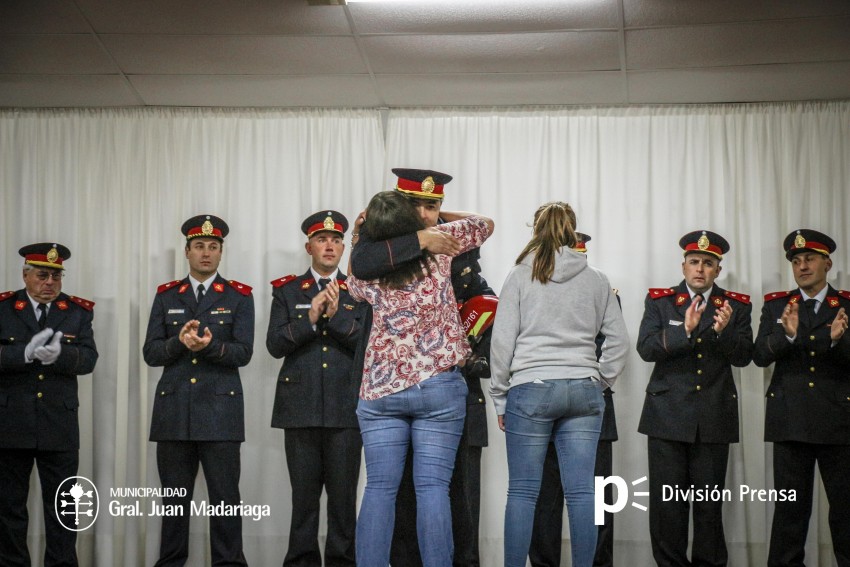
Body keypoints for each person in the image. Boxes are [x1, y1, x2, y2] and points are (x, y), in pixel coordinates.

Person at [350, 168, 494, 567]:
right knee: (433, 489)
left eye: (435, 206)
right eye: (420, 206)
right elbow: (485, 224)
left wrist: (365, 231)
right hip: (438, 388)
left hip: (381, 391)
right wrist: (430, 231)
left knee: (379, 488)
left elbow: (354, 281)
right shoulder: (443, 250)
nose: (428, 214)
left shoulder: (368, 266)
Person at [490, 202, 629, 567]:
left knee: (522, 492)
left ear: (535, 231)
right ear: (573, 230)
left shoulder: (520, 275)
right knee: (583, 494)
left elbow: (502, 342)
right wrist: (598, 382)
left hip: (531, 388)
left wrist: (500, 398)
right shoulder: (597, 278)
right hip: (583, 387)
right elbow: (618, 342)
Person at [636, 230, 753, 567]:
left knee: (708, 507)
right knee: (667, 507)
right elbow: (646, 349)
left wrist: (723, 333)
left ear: (718, 269)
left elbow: (745, 356)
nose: (700, 268)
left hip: (713, 417)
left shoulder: (736, 305)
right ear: (684, 266)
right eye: (694, 262)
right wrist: (683, 331)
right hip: (666, 417)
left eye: (708, 263)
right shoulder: (660, 301)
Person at [143, 214, 254, 567]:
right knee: (175, 501)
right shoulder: (166, 296)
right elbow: (150, 352)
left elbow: (243, 352)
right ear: (187, 251)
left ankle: (229, 563)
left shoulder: (239, 296)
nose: (206, 253)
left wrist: (207, 347)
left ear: (221, 252)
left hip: (221, 413)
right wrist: (179, 342)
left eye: (214, 247)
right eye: (200, 246)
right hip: (174, 413)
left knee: (225, 499)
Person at [267, 210, 364, 567]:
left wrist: (337, 318)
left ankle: (342, 562)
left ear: (343, 247)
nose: (330, 245)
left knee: (342, 502)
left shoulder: (358, 290)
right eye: (322, 239)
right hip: (300, 408)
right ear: (309, 245)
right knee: (303, 501)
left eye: (337, 239)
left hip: (344, 409)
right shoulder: (288, 291)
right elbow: (274, 345)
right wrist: (309, 318)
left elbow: (368, 348)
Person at [753, 229, 850, 567]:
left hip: (839, 422)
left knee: (845, 510)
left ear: (828, 263)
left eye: (810, 259)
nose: (803, 266)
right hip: (790, 421)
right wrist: (787, 336)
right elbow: (759, 355)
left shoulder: (846, 306)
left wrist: (837, 341)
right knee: (790, 512)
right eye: (796, 261)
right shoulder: (777, 305)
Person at [0, 243, 98, 567]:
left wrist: (62, 357)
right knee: (10, 509)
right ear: (25, 274)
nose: (50, 284)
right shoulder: (3, 308)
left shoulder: (77, 311)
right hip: (11, 423)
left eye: (56, 277)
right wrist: (24, 354)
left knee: (63, 509)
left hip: (60, 424)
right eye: (42, 275)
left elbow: (89, 359)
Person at [529, 233, 621, 567]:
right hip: (543, 409)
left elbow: (616, 345)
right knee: (544, 501)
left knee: (599, 503)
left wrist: (598, 385)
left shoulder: (601, 292)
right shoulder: (532, 291)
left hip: (591, 411)